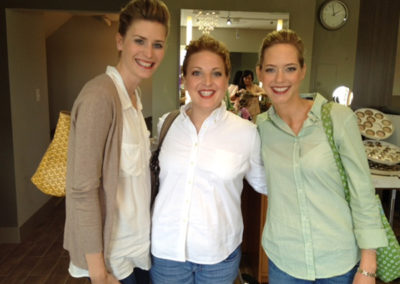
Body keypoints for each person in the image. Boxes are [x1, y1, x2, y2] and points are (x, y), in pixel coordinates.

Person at [256, 29, 387, 284]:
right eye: (271, 69)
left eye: (290, 68)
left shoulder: (337, 117)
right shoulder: (261, 127)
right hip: (285, 260)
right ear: (259, 72)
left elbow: (362, 192)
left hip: (338, 262)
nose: (279, 78)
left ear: (303, 71)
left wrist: (368, 266)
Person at [63, 0, 170, 283]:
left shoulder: (133, 98)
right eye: (140, 41)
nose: (149, 53)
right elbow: (81, 191)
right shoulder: (100, 97)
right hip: (112, 259)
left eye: (158, 44)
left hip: (137, 251)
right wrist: (99, 273)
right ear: (120, 41)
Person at [150, 35, 267, 284]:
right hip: (167, 252)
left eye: (216, 73)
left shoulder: (246, 132)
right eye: (196, 73)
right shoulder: (166, 125)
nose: (206, 82)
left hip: (219, 256)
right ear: (184, 78)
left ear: (227, 80)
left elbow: (266, 184)